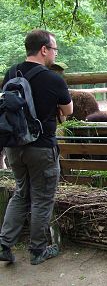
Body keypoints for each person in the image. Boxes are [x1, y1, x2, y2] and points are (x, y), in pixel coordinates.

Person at [0, 29, 73, 265]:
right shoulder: (53, 78)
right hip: (41, 149)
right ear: (44, 50)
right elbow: (68, 111)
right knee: (42, 198)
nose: (55, 53)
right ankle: (38, 250)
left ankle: (4, 244)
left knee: (21, 194)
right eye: (54, 49)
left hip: (14, 147)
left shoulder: (11, 73)